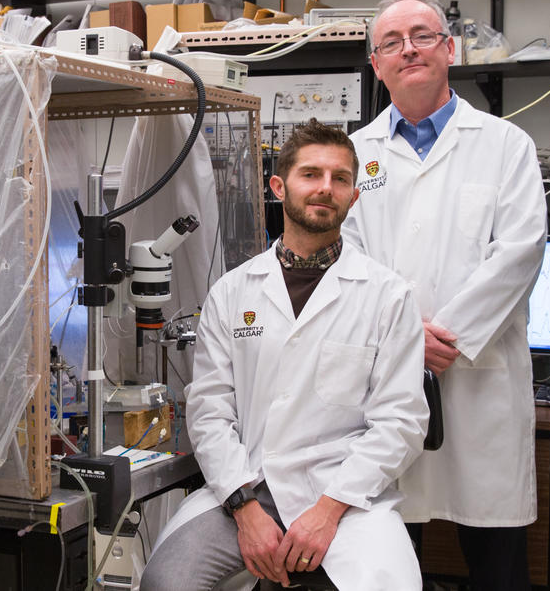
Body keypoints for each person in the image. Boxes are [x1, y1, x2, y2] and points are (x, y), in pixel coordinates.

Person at [141, 122, 430, 591]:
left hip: (345, 498)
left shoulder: (388, 297)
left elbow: (401, 422)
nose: (325, 188)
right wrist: (245, 509)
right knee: (166, 583)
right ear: (279, 187)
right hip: (247, 487)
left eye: (340, 179)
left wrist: (328, 510)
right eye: (310, 174)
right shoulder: (233, 292)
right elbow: (211, 411)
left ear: (354, 196)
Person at [343, 0, 548, 590]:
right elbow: (347, 257)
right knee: (386, 556)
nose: (408, 48)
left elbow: (519, 253)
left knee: (495, 560)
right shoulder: (355, 155)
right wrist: (406, 337)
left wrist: (443, 337)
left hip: (479, 380)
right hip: (387, 383)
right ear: (376, 65)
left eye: (423, 34)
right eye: (391, 42)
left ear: (449, 49)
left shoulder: (506, 145)